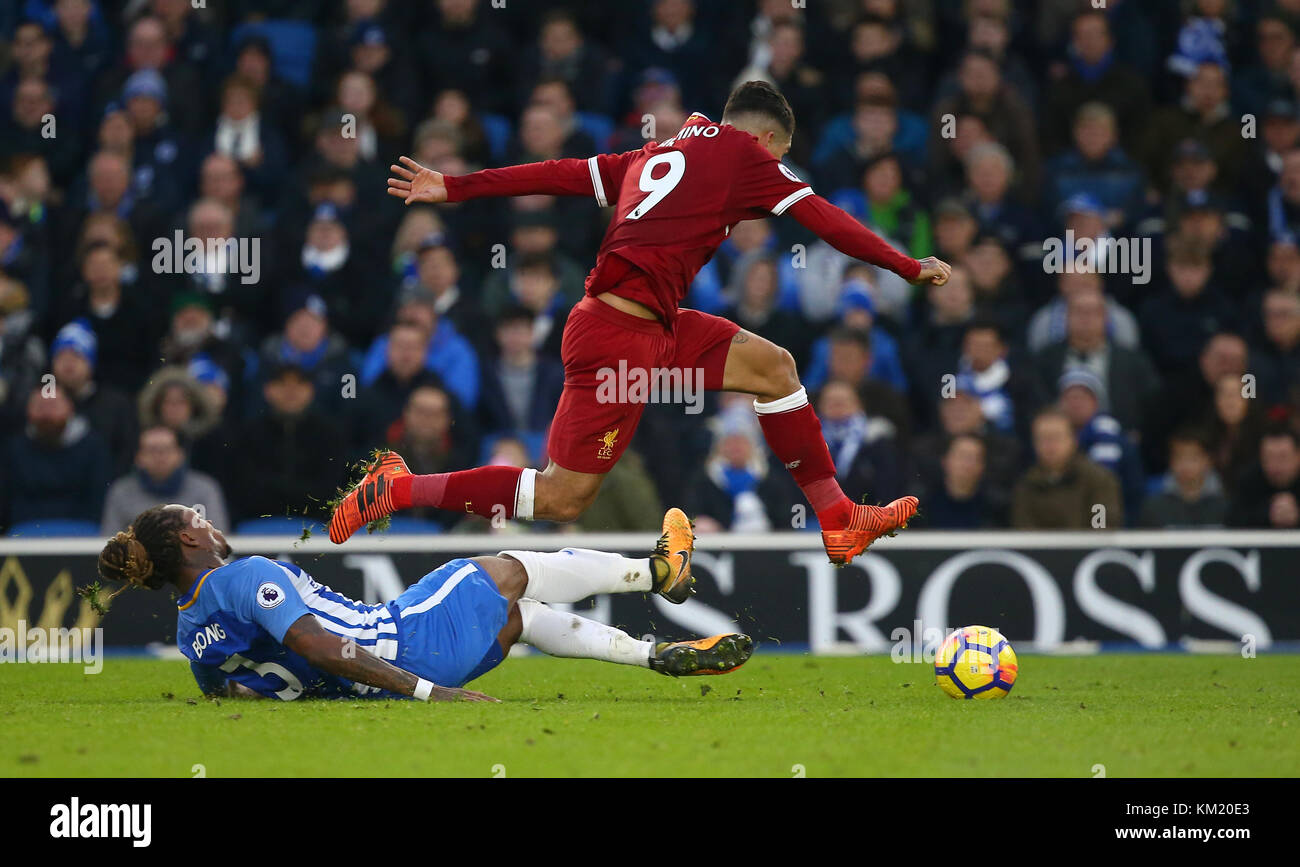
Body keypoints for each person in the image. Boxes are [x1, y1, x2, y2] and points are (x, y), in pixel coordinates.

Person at [348, 81, 950, 566]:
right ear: (768, 138)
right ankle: (398, 488)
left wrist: (455, 186)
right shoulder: (750, 156)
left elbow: (558, 173)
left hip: (648, 328)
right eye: (781, 157)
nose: (777, 172)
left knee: (775, 368)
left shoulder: (657, 152)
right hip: (620, 341)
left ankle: (838, 517)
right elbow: (824, 218)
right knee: (562, 496)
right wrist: (904, 265)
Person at [95, 504, 750, 701]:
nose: (211, 522)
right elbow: (316, 645)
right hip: (405, 645)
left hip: (379, 681)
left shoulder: (191, 631)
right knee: (507, 568)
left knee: (521, 617)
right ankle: (658, 570)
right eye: (198, 519)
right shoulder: (243, 576)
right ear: (187, 539)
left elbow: (222, 691)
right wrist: (429, 693)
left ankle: (658, 655)